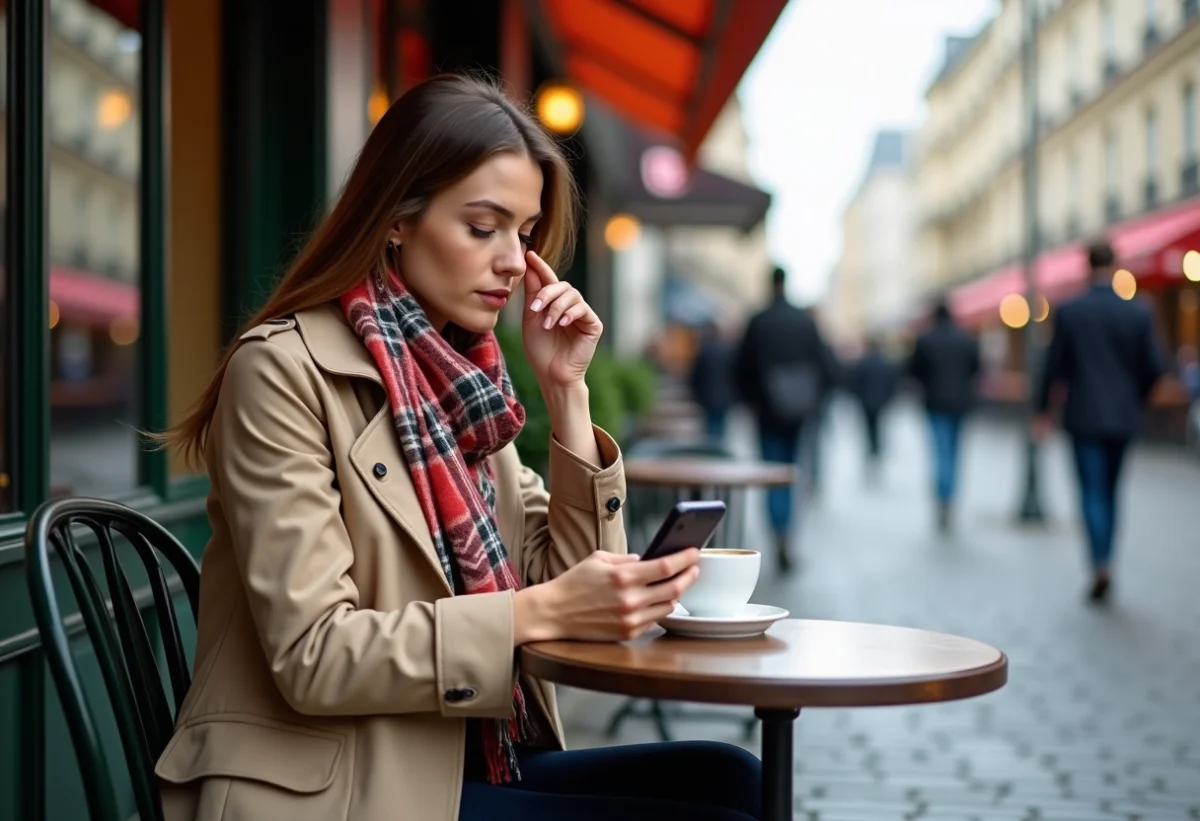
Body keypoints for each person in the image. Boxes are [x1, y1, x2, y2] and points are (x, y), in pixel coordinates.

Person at [152, 75, 761, 821]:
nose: (514, 260)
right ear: (397, 219)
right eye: (483, 226)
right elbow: (314, 654)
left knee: (732, 776)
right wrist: (531, 612)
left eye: (525, 232)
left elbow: (567, 580)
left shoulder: (459, 380)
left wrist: (567, 391)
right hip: (335, 783)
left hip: (456, 754)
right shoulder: (280, 371)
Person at [1034, 238, 1165, 604]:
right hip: (1124, 417)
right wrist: (1135, 397)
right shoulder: (1138, 312)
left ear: (1086, 266)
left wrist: (1042, 411)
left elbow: (1053, 367)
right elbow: (1155, 368)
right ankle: (1108, 561)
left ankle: (1099, 563)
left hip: (1083, 415)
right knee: (1111, 490)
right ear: (1115, 264)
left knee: (1091, 492)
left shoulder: (1071, 311)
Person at [735, 266, 837, 572]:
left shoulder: (758, 321)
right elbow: (824, 365)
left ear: (770, 283)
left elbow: (741, 366)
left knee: (772, 472)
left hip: (766, 411)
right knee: (792, 472)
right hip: (798, 410)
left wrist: (751, 400)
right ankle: (787, 533)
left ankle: (777, 531)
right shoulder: (805, 321)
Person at [907, 298, 981, 533]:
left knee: (941, 452)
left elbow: (914, 371)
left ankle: (943, 499)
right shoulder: (966, 339)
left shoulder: (925, 340)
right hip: (960, 403)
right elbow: (975, 369)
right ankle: (950, 498)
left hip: (935, 403)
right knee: (955, 452)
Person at [848, 337, 900, 478]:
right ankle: (876, 450)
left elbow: (854, 383)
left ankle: (871, 451)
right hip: (881, 402)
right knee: (878, 427)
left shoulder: (862, 363)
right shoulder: (886, 363)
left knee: (868, 428)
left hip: (866, 402)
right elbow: (893, 383)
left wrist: (857, 398)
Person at [687, 319, 738, 443]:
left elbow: (695, 376)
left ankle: (712, 449)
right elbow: (735, 374)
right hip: (724, 397)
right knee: (721, 426)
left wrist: (696, 394)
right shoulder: (727, 350)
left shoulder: (704, 351)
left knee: (710, 427)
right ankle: (719, 448)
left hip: (707, 397)